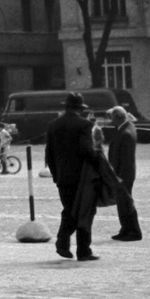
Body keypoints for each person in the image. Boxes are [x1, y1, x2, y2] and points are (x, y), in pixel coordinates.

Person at [44, 93, 99, 261]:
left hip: (62, 178)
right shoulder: (85, 125)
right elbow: (87, 151)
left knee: (69, 209)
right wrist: (98, 166)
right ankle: (80, 248)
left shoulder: (54, 125)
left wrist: (56, 175)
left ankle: (65, 243)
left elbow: (49, 154)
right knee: (85, 211)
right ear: (80, 109)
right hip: (82, 178)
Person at [106, 107, 141, 241]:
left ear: (117, 118)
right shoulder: (127, 127)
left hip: (123, 176)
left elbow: (126, 160)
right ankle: (125, 229)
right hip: (122, 174)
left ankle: (133, 231)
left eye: (112, 118)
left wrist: (119, 179)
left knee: (125, 203)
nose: (111, 121)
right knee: (123, 203)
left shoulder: (125, 132)